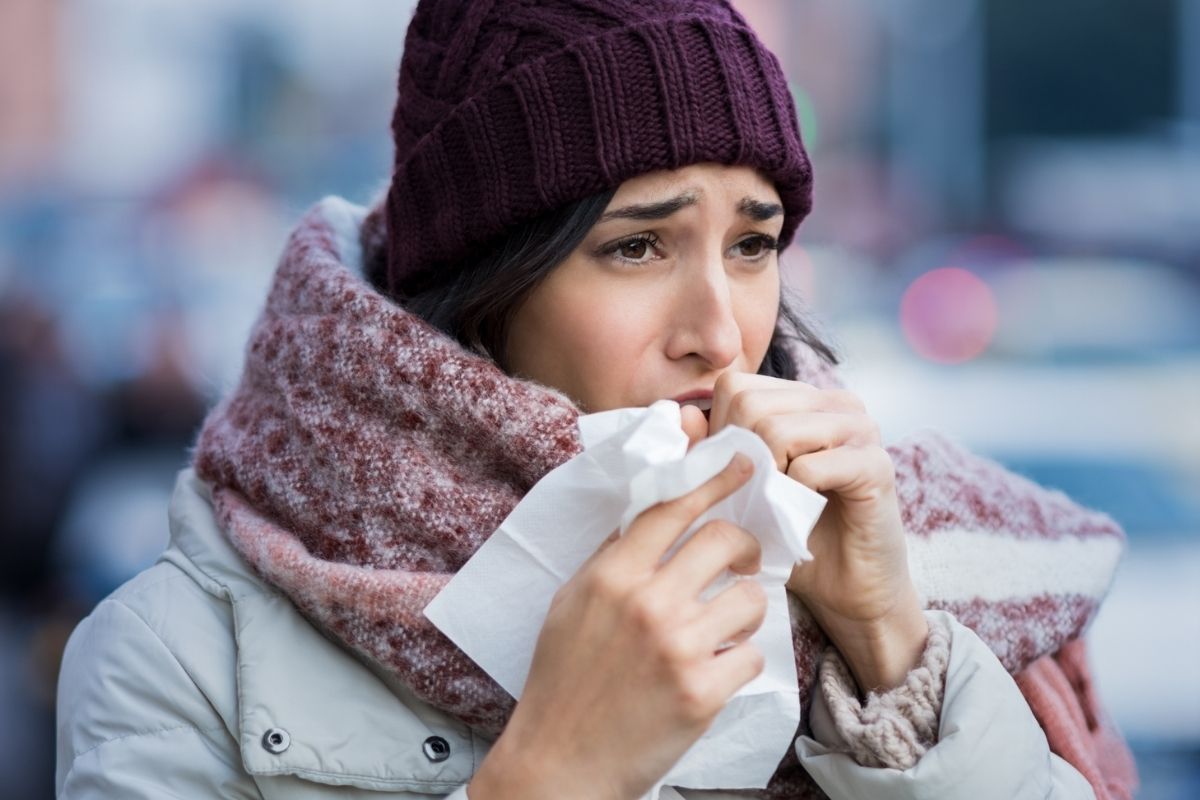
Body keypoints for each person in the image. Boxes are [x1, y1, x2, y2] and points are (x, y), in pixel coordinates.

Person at [55, 1, 1138, 798]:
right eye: (636, 245)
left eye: (754, 242)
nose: (721, 329)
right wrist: (551, 771)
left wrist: (891, 643)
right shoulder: (180, 655)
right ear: (486, 283)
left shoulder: (896, 545)